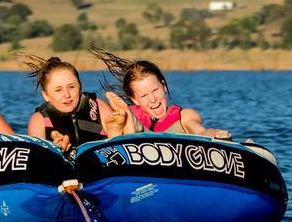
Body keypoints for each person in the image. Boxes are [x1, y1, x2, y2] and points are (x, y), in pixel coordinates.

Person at [90, 48, 232, 139]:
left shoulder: (185, 116)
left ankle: (134, 129)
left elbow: (201, 133)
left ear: (164, 86)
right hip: (133, 158)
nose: (153, 99)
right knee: (119, 123)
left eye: (155, 90)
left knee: (131, 125)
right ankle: (121, 133)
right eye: (144, 96)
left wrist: (214, 134)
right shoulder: (122, 117)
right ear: (135, 100)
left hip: (171, 160)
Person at [22, 54, 128, 155]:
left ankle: (114, 136)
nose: (67, 95)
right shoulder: (39, 120)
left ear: (80, 86)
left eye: (71, 87)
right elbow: (35, 162)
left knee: (116, 137)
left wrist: (115, 132)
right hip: (63, 170)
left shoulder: (98, 107)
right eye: (58, 90)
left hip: (102, 164)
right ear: (46, 95)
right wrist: (53, 150)